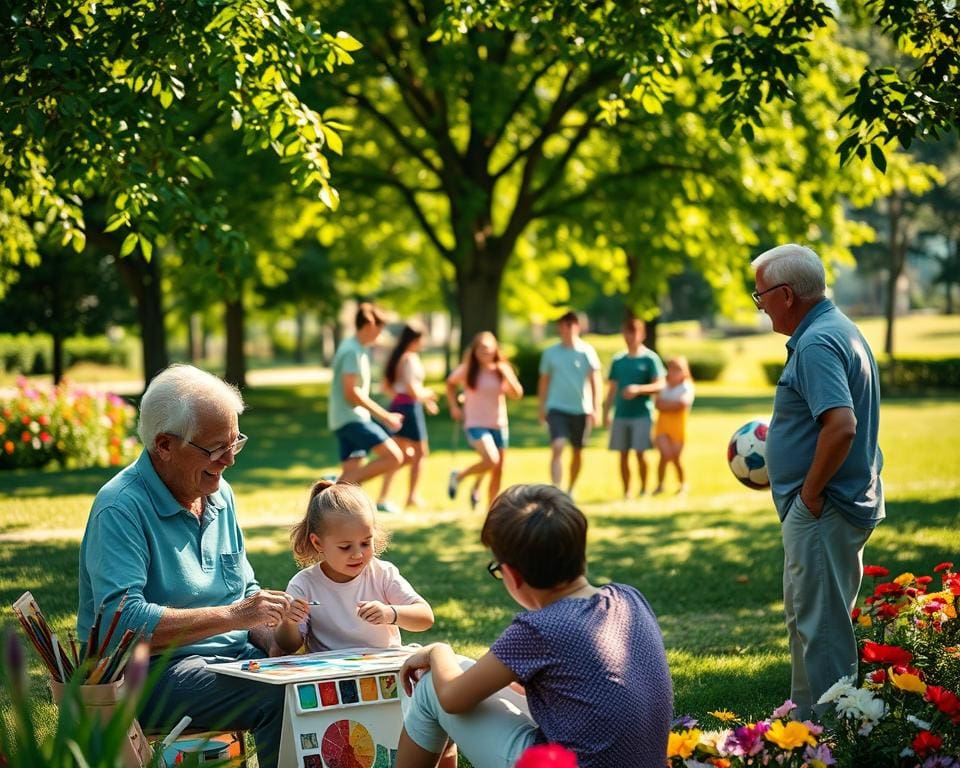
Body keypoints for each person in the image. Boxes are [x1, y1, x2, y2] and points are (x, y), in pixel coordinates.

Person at [77, 364, 299, 768]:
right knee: (282, 694)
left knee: (317, 677)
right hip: (150, 677)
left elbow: (243, 590)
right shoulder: (120, 507)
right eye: (216, 448)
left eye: (236, 443)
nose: (230, 459)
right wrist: (235, 616)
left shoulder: (217, 491)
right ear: (164, 444)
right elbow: (120, 623)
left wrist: (274, 637)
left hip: (230, 661)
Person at [393, 484, 672, 768]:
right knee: (462, 667)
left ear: (512, 575)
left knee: (431, 688)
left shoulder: (539, 628)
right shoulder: (628, 597)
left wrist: (437, 651)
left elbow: (452, 699)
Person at [751, 243, 884, 721]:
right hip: (829, 506)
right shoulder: (837, 328)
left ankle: (834, 737)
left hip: (823, 508)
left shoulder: (816, 342)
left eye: (760, 294)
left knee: (822, 629)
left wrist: (808, 493)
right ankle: (804, 725)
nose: (760, 303)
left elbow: (842, 425)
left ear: (786, 294)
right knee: (808, 621)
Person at [273, 481, 434, 655]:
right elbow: (287, 645)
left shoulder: (382, 574)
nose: (358, 554)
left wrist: (390, 613)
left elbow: (425, 617)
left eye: (365, 543)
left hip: (383, 672)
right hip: (330, 674)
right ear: (318, 542)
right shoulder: (304, 584)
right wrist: (290, 622)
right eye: (345, 547)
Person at [329, 302, 405, 489]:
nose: (380, 334)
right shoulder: (352, 351)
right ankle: (333, 487)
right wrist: (386, 416)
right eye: (380, 329)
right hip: (352, 420)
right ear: (370, 326)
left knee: (352, 473)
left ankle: (334, 492)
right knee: (394, 457)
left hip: (346, 419)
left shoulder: (357, 348)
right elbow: (351, 393)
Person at [446, 332, 524, 510]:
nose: (485, 352)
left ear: (495, 349)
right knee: (491, 459)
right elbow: (450, 383)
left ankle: (492, 510)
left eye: (488, 349)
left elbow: (517, 394)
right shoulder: (468, 370)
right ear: (475, 351)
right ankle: (458, 476)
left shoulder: (501, 370)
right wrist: (454, 407)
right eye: (481, 349)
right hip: (475, 423)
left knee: (497, 470)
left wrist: (507, 375)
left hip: (499, 423)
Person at [537, 312, 602, 498]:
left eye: (567, 326)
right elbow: (544, 382)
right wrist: (541, 407)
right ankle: (556, 489)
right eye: (561, 327)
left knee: (577, 451)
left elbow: (595, 380)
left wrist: (596, 407)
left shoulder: (587, 351)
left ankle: (571, 488)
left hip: (581, 408)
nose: (564, 330)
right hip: (557, 407)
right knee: (557, 445)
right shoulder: (550, 353)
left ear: (576, 327)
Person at [601, 315, 665, 498]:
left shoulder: (650, 359)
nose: (630, 337)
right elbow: (612, 389)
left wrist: (639, 389)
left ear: (642, 334)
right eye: (627, 332)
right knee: (622, 455)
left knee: (640, 453)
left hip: (642, 414)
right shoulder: (618, 360)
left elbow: (660, 385)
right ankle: (626, 491)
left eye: (634, 332)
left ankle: (644, 488)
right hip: (621, 414)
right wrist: (606, 412)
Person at [379, 322, 440, 510]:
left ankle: (383, 497)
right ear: (415, 339)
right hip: (409, 409)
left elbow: (389, 388)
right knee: (420, 453)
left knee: (401, 455)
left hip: (399, 406)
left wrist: (424, 401)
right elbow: (412, 389)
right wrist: (427, 395)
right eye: (422, 338)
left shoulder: (398, 357)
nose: (424, 342)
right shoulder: (409, 358)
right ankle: (411, 497)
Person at [652, 356, 695, 495]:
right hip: (662, 426)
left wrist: (667, 405)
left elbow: (682, 404)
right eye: (672, 369)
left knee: (676, 458)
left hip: (678, 427)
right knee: (665, 455)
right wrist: (672, 405)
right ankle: (660, 485)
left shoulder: (686, 386)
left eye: (678, 370)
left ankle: (682, 484)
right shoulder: (663, 385)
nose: (674, 373)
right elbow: (658, 404)